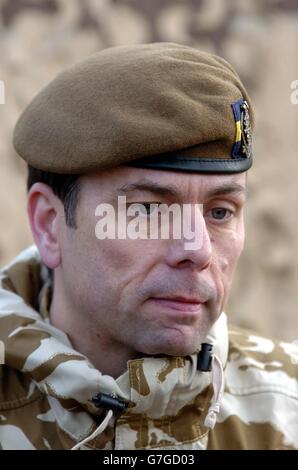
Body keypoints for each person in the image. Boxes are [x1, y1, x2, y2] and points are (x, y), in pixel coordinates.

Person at [0, 43, 297, 450]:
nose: (197, 249)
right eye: (147, 208)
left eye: (221, 212)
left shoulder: (287, 406)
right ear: (50, 224)